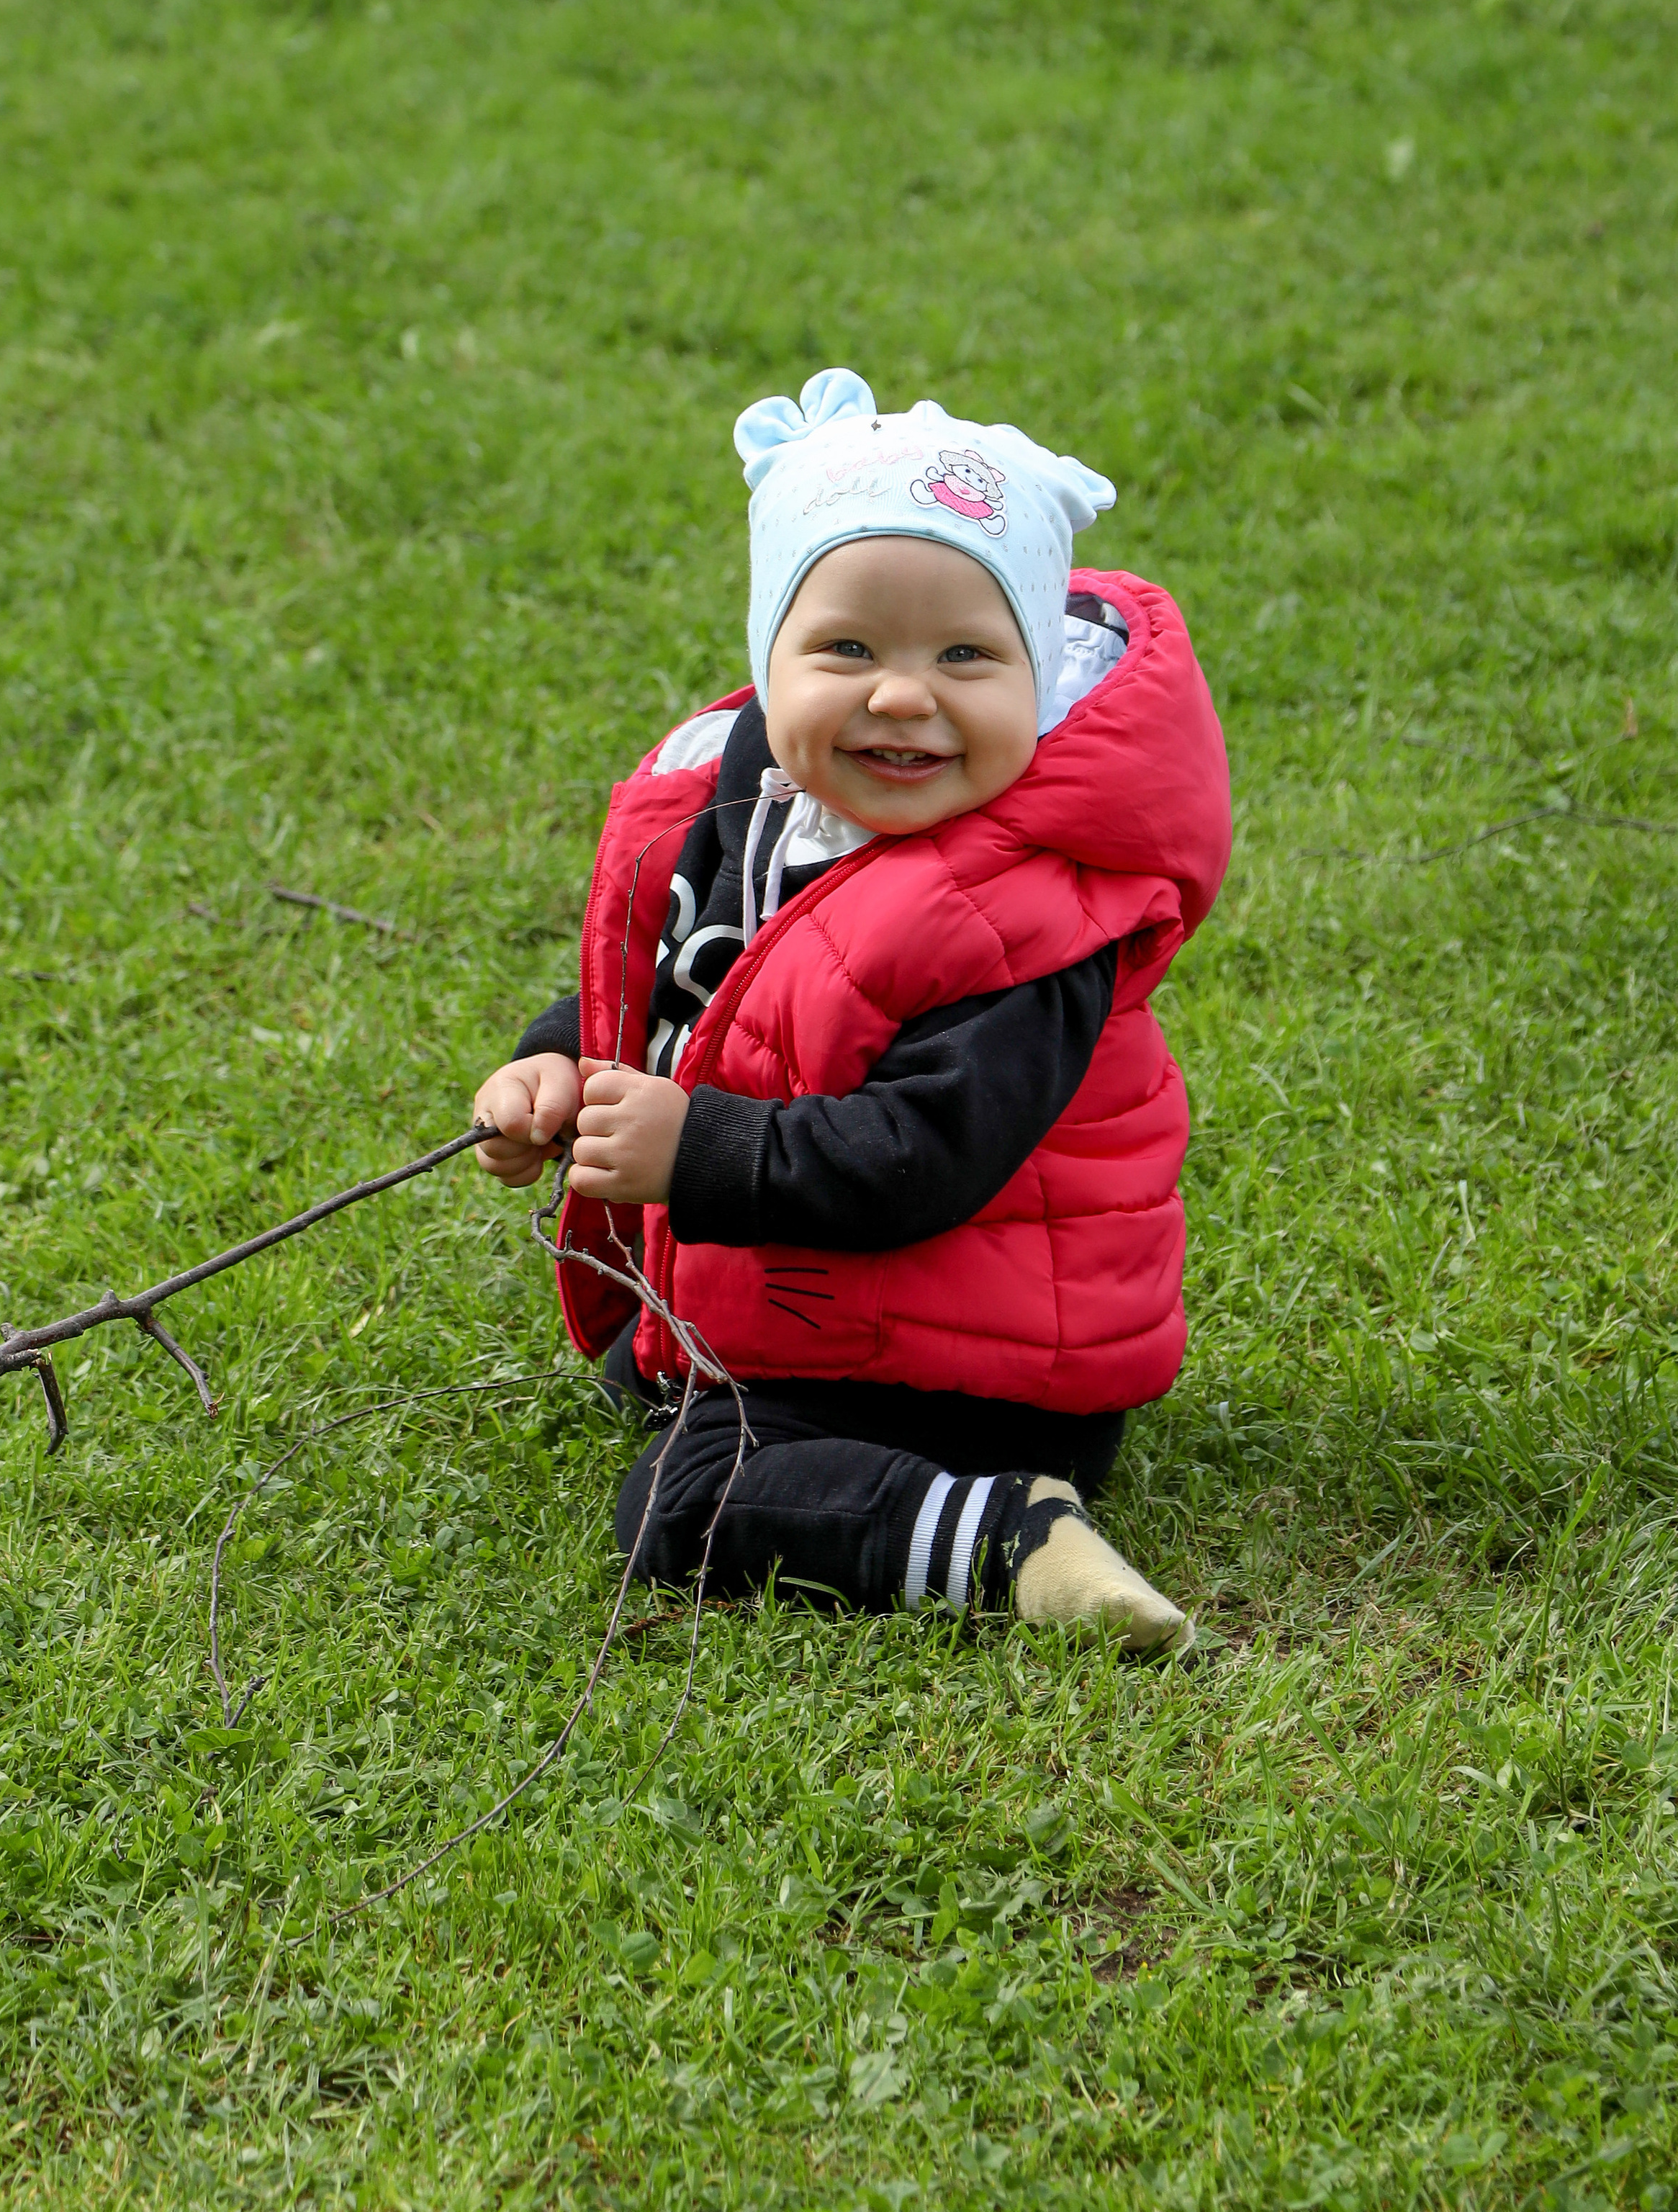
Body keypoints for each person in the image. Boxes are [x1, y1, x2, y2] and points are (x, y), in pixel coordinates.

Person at [470, 370, 1230, 1649]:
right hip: (835, 1318)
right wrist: (559, 1066)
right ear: (768, 658)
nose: (904, 695)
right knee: (643, 1383)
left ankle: (1010, 1535)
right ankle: (757, 1404)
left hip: (981, 1367)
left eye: (968, 656)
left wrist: (691, 1149)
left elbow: (924, 1158)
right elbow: (697, 988)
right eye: (849, 650)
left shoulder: (1036, 910)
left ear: (1039, 680)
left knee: (685, 1505)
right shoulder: (764, 811)